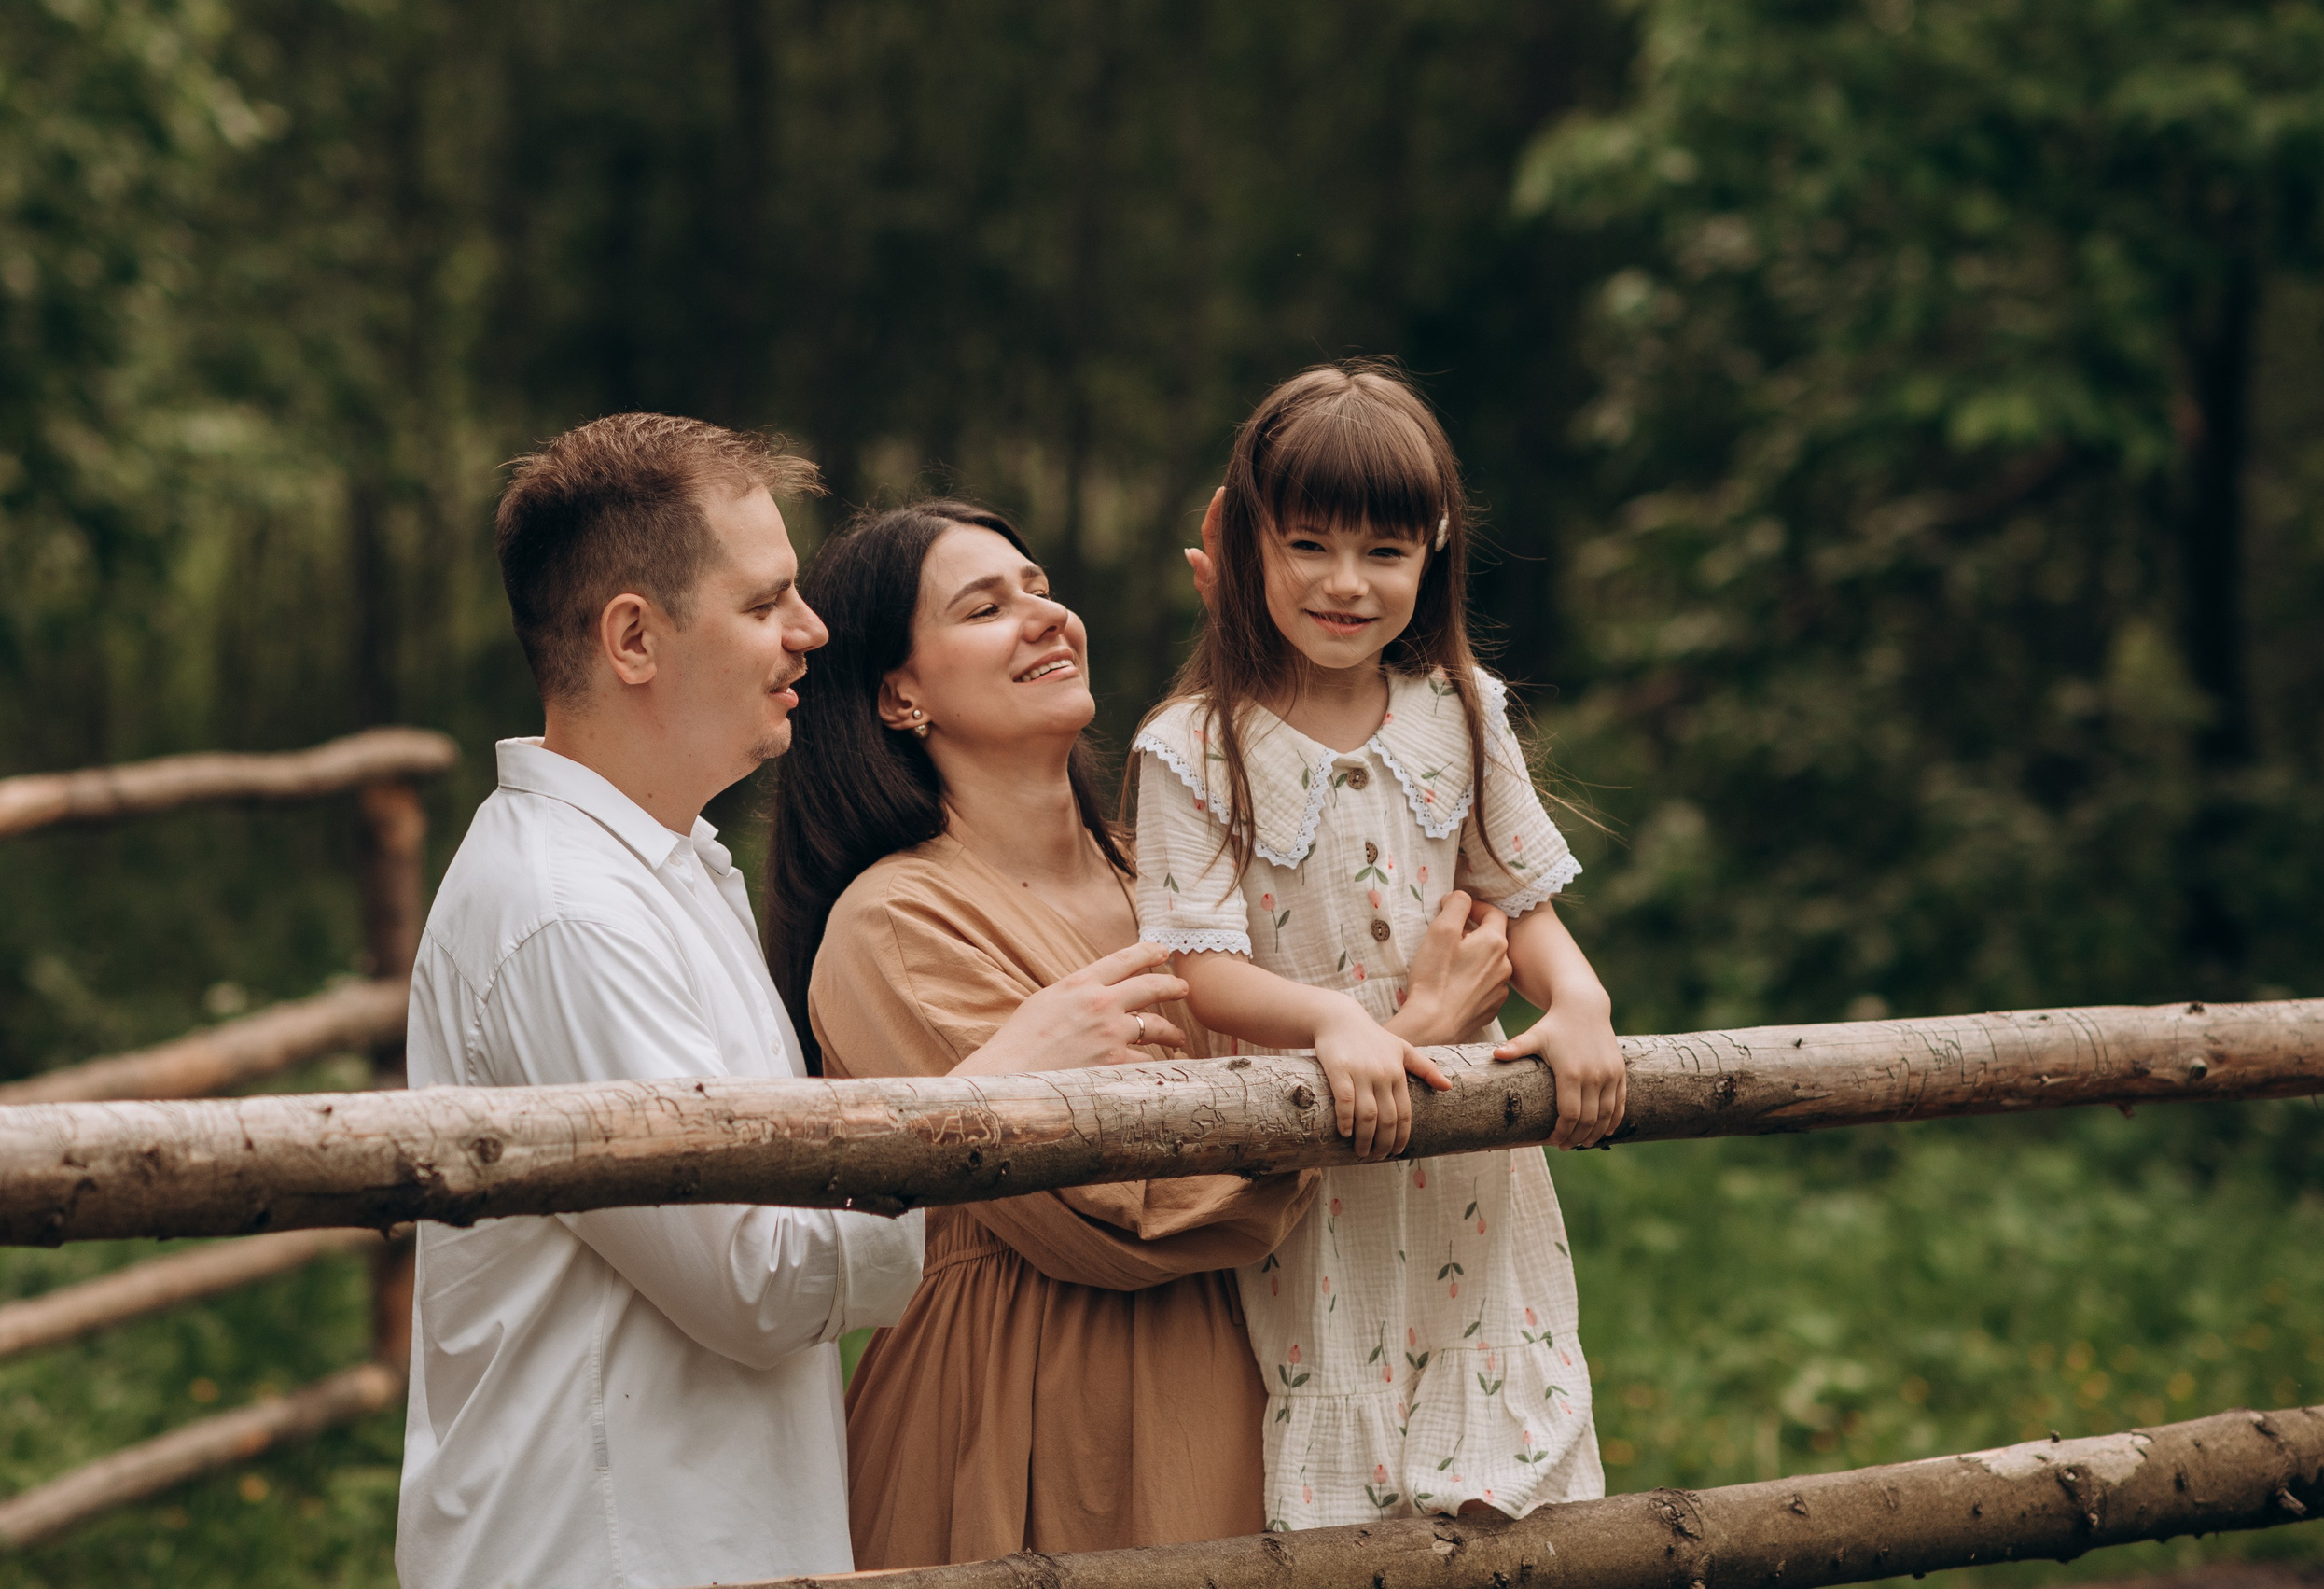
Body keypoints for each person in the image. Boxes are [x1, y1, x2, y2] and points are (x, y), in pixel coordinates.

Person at [766, 501, 1515, 1566]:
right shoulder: (896, 918)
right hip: (1026, 1404)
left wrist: (1274, 614)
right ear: (899, 694)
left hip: (1240, 1366)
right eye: (986, 607)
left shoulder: (1170, 876)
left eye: (1040, 587)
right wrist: (1420, 1033)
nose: (1044, 616)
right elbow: (1127, 1220)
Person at [402, 415, 937, 1589]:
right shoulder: (567, 914)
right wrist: (962, 1131)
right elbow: (749, 1278)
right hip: (606, 1546)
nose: (812, 631)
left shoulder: (672, 864)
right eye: (764, 603)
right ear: (634, 638)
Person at [1131, 360, 1625, 1531]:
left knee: (1503, 1427)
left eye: (1384, 553)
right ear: (1248, 542)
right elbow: (1196, 962)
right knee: (1352, 1451)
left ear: (1435, 549)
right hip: (1322, 1137)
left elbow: (1521, 899)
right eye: (1308, 544)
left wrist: (1583, 1001)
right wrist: (1330, 1021)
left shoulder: (1461, 707)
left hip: (1470, 1141)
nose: (1344, 584)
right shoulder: (1192, 746)